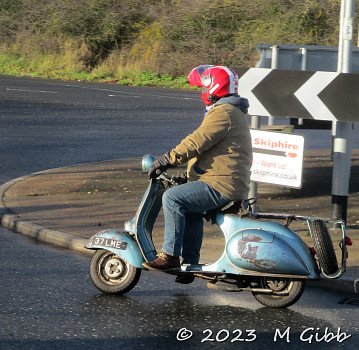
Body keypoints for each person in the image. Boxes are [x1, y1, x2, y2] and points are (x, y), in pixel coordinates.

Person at [142, 65, 253, 278]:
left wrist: (166, 160)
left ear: (214, 87)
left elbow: (196, 142)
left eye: (203, 86)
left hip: (223, 185)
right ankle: (189, 264)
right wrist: (188, 176)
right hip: (226, 180)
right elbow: (218, 155)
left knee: (172, 198)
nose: (201, 91)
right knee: (189, 206)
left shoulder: (223, 113)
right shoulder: (232, 112)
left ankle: (170, 257)